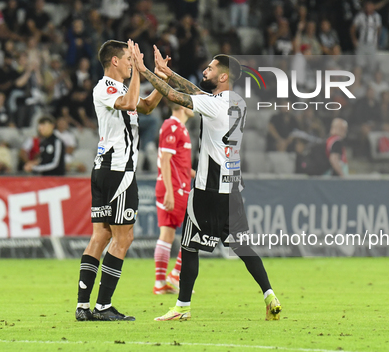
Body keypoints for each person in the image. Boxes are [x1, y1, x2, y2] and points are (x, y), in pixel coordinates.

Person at [136, 46, 281, 321]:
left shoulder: (214, 105)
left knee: (189, 247)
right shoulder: (237, 102)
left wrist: (146, 72)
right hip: (232, 191)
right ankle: (269, 294)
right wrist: (170, 73)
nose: (205, 70)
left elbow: (176, 96)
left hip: (207, 190)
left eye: (211, 68)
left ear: (223, 77)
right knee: (242, 246)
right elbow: (195, 91)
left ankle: (182, 307)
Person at [74, 40, 163, 322]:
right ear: (114, 61)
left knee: (101, 235)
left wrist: (160, 77)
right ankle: (102, 306)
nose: (130, 62)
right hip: (118, 171)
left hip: (105, 169)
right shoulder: (107, 87)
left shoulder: (122, 89)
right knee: (124, 237)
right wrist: (139, 70)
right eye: (128, 59)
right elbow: (127, 103)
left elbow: (146, 106)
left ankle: (83, 306)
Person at [153, 103, 195, 295]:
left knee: (167, 234)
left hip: (176, 184)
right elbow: (165, 160)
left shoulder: (179, 127)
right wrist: (170, 191)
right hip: (175, 188)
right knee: (193, 230)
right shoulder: (173, 125)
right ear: (182, 105)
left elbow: (177, 162)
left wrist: (193, 173)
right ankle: (176, 274)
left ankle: (161, 283)